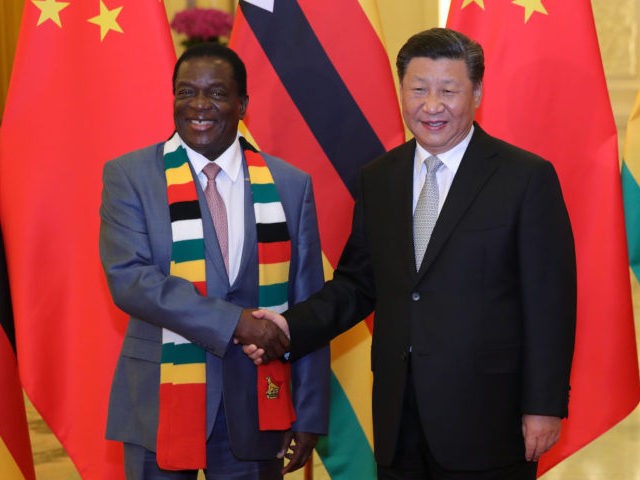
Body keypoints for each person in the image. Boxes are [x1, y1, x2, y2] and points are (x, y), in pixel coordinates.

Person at [246, 28, 576, 479]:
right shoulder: (381, 178)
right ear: (402, 90)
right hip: (399, 419)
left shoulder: (524, 178)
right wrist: (288, 325)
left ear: (476, 92)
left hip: (488, 420)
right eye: (418, 89)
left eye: (448, 90)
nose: (432, 105)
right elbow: (358, 284)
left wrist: (544, 405)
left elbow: (549, 304)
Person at [99, 42, 329, 480]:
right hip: (160, 402)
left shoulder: (289, 184)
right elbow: (131, 280)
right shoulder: (129, 176)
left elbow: (307, 301)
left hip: (257, 403)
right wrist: (236, 323)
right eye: (186, 92)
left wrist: (310, 411)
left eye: (217, 93)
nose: (200, 105)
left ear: (242, 104)